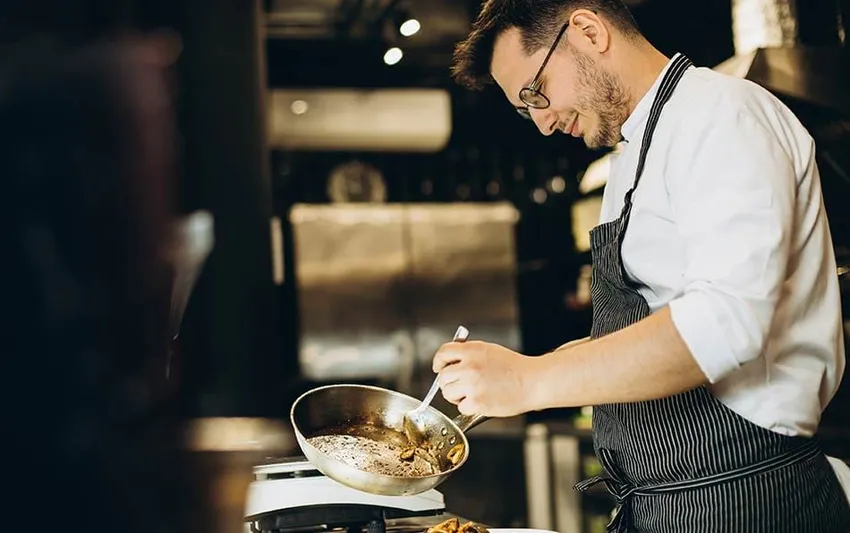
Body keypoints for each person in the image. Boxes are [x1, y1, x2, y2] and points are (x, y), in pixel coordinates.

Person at [433, 0, 850, 531]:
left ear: (586, 30)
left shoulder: (721, 114)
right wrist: (505, 374)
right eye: (523, 108)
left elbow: (725, 324)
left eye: (535, 93)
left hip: (744, 498)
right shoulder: (632, 152)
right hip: (667, 504)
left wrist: (532, 381)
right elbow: (652, 323)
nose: (540, 123)